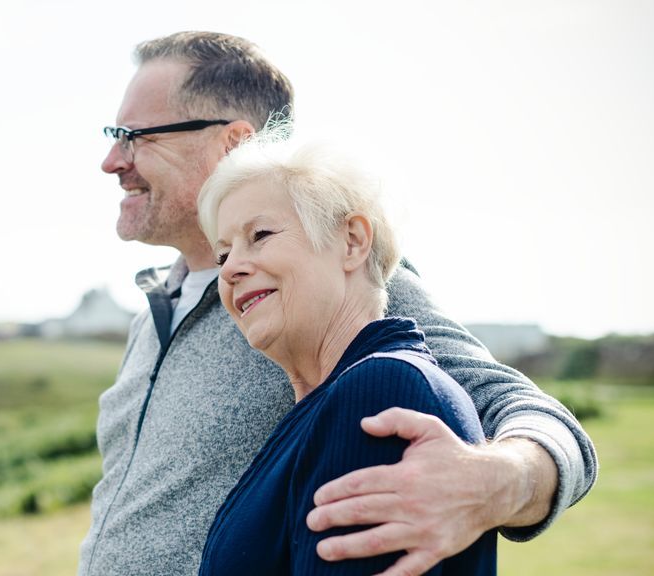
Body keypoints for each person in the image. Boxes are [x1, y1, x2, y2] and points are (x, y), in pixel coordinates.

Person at [79, 31, 596, 576]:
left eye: (135, 136)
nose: (113, 161)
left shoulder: (336, 283)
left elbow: (529, 415)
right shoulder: (152, 314)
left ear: (233, 142)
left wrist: (498, 482)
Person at [196, 130, 496, 575]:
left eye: (259, 235)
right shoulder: (325, 405)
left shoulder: (379, 392)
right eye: (222, 255)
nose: (232, 269)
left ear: (353, 241)